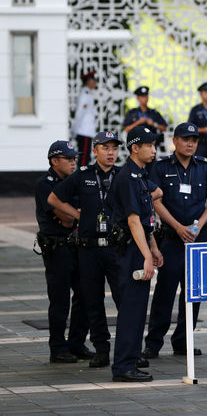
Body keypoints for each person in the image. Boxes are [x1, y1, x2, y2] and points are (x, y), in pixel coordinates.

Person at [141, 122, 207, 360]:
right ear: (174, 141)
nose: (190, 144)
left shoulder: (204, 166)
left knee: (194, 293)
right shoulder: (161, 167)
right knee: (165, 292)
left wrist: (199, 225)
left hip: (197, 240)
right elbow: (155, 201)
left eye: (194, 140)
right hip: (172, 239)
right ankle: (153, 343)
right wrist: (177, 226)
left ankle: (183, 341)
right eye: (185, 139)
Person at [48, 131, 123, 369]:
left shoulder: (124, 176)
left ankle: (128, 349)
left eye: (114, 148)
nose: (110, 153)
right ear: (95, 151)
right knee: (93, 301)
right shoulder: (83, 175)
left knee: (125, 299)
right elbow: (54, 199)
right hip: (89, 250)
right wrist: (78, 215)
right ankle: (102, 349)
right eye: (105, 148)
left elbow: (155, 192)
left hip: (116, 248)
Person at [109, 125, 164, 382]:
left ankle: (130, 361)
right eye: (149, 145)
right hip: (130, 250)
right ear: (135, 148)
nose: (154, 150)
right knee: (131, 310)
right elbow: (133, 221)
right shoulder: (127, 177)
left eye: (155, 145)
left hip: (140, 246)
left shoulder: (140, 175)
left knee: (138, 309)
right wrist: (145, 255)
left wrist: (153, 248)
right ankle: (123, 366)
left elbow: (145, 220)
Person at [34, 141, 92, 363]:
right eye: (68, 159)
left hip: (79, 246)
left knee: (86, 295)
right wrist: (75, 213)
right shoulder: (44, 184)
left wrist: (73, 214)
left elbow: (74, 214)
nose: (73, 162)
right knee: (59, 301)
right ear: (54, 161)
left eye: (74, 158)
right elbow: (67, 218)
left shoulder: (75, 182)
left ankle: (77, 344)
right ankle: (58, 348)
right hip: (57, 248)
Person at [123, 86, 168, 168]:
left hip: (150, 146)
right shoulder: (132, 113)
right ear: (138, 98)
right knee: (135, 166)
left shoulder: (153, 112)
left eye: (146, 96)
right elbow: (127, 129)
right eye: (142, 96)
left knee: (151, 169)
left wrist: (153, 124)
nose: (144, 99)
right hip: (137, 146)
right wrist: (138, 122)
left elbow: (164, 128)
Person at [73, 70, 98, 166]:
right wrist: (76, 129)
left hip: (86, 131)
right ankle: (81, 177)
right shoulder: (85, 95)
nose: (95, 82)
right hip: (84, 131)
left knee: (86, 156)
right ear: (88, 82)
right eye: (93, 80)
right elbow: (80, 113)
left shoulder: (88, 94)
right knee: (84, 157)